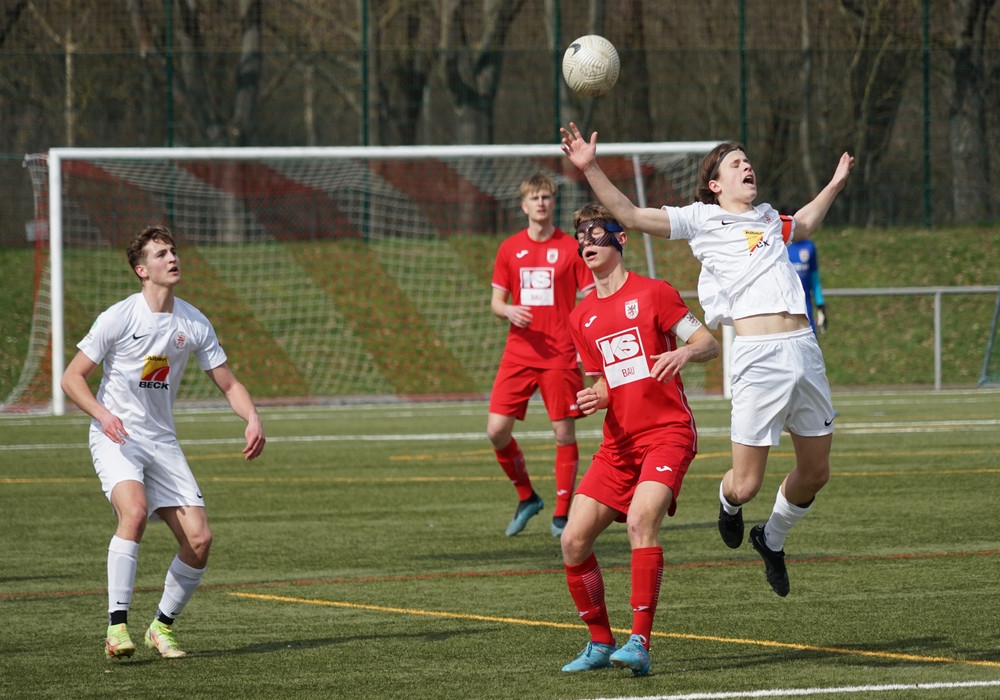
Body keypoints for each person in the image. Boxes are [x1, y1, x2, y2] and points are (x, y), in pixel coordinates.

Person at [561, 123, 853, 597]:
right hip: (758, 358)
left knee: (817, 472)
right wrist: (590, 166)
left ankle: (771, 539)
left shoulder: (767, 217)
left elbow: (803, 223)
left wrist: (835, 183)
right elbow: (630, 215)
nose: (747, 167)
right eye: (736, 164)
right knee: (746, 485)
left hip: (805, 349)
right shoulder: (701, 219)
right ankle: (729, 503)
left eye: (747, 161)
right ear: (715, 184)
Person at [61, 224, 266, 660]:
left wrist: (251, 417)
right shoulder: (119, 317)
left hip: (161, 441)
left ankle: (160, 627)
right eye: (160, 254)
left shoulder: (193, 321)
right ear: (142, 269)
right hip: (117, 436)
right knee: (134, 511)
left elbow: (229, 384)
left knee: (200, 540)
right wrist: (103, 415)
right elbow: (72, 378)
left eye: (173, 251)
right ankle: (117, 627)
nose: (172, 258)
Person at [560, 203, 719, 675]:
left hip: (667, 433)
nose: (586, 242)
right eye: (580, 236)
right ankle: (600, 641)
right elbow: (606, 382)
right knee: (572, 540)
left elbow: (707, 343)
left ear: (620, 238)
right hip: (618, 445)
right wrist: (595, 397)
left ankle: (640, 643)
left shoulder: (654, 293)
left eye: (595, 233)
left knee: (639, 522)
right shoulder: (581, 316)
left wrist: (684, 355)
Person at [488, 174, 595, 537]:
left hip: (560, 353)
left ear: (553, 202)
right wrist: (508, 310)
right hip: (518, 353)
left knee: (563, 433)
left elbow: (590, 298)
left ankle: (561, 516)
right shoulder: (509, 249)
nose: (541, 203)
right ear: (524, 205)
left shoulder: (570, 247)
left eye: (547, 197)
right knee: (496, 431)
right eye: (535, 198)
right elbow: (496, 302)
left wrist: (583, 341)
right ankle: (527, 497)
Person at [787, 237, 827, 334]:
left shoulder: (809, 246)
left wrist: (820, 304)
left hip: (806, 307)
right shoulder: (780, 245)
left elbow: (814, 276)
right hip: (786, 308)